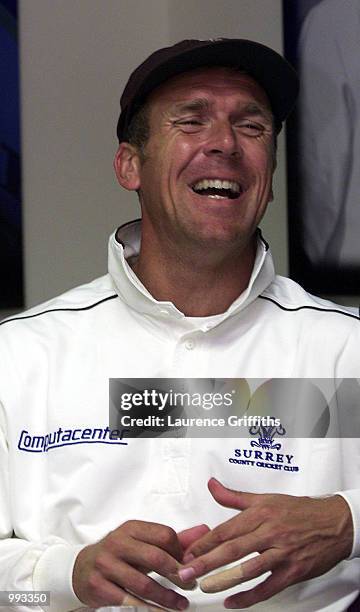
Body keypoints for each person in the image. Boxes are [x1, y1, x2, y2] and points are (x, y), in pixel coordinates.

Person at [0, 38, 359, 612]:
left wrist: (347, 523)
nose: (224, 143)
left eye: (252, 126)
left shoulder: (345, 349)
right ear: (129, 165)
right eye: (191, 121)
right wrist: (67, 575)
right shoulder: (20, 356)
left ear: (270, 170)